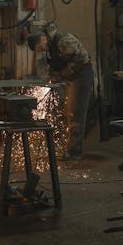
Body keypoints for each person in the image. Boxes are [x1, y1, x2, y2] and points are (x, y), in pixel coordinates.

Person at [27, 26, 94, 163]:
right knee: (68, 112)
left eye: (40, 47)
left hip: (82, 76)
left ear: (43, 39)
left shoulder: (63, 41)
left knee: (76, 114)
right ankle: (71, 148)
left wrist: (62, 75)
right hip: (71, 78)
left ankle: (75, 153)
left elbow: (82, 59)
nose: (42, 51)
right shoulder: (50, 48)